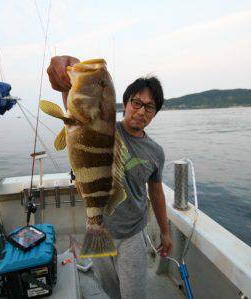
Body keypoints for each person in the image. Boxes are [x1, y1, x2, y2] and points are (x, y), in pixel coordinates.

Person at [47, 56, 172, 299]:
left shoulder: (156, 152)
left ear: (155, 113)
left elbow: (155, 192)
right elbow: (77, 108)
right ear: (124, 103)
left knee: (133, 295)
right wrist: (65, 74)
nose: (141, 110)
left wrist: (166, 233)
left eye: (149, 106)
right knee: (109, 291)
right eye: (137, 102)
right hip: (99, 226)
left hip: (132, 234)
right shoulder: (102, 127)